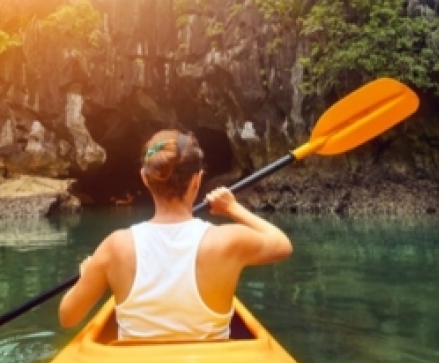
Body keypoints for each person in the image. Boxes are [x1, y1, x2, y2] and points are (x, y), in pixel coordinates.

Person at [59, 129, 293, 340]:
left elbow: (67, 317)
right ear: (197, 179)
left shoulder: (115, 247)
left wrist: (87, 275)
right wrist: (233, 208)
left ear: (144, 178)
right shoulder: (226, 241)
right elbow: (282, 244)